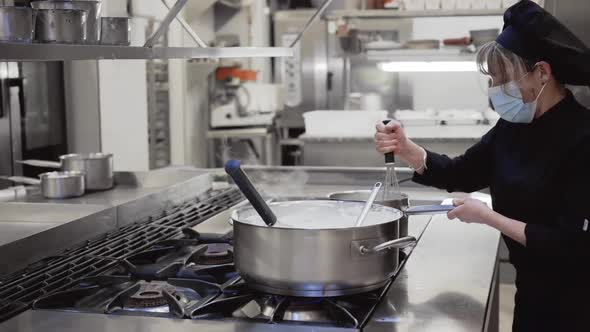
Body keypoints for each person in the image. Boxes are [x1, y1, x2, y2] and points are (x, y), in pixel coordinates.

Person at [374, 1, 590, 331]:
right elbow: (461, 172)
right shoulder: (514, 127)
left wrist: (488, 217)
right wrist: (407, 149)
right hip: (532, 291)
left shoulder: (582, 137)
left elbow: (571, 243)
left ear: (543, 72)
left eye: (503, 77)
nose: (495, 90)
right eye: (492, 79)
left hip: (577, 302)